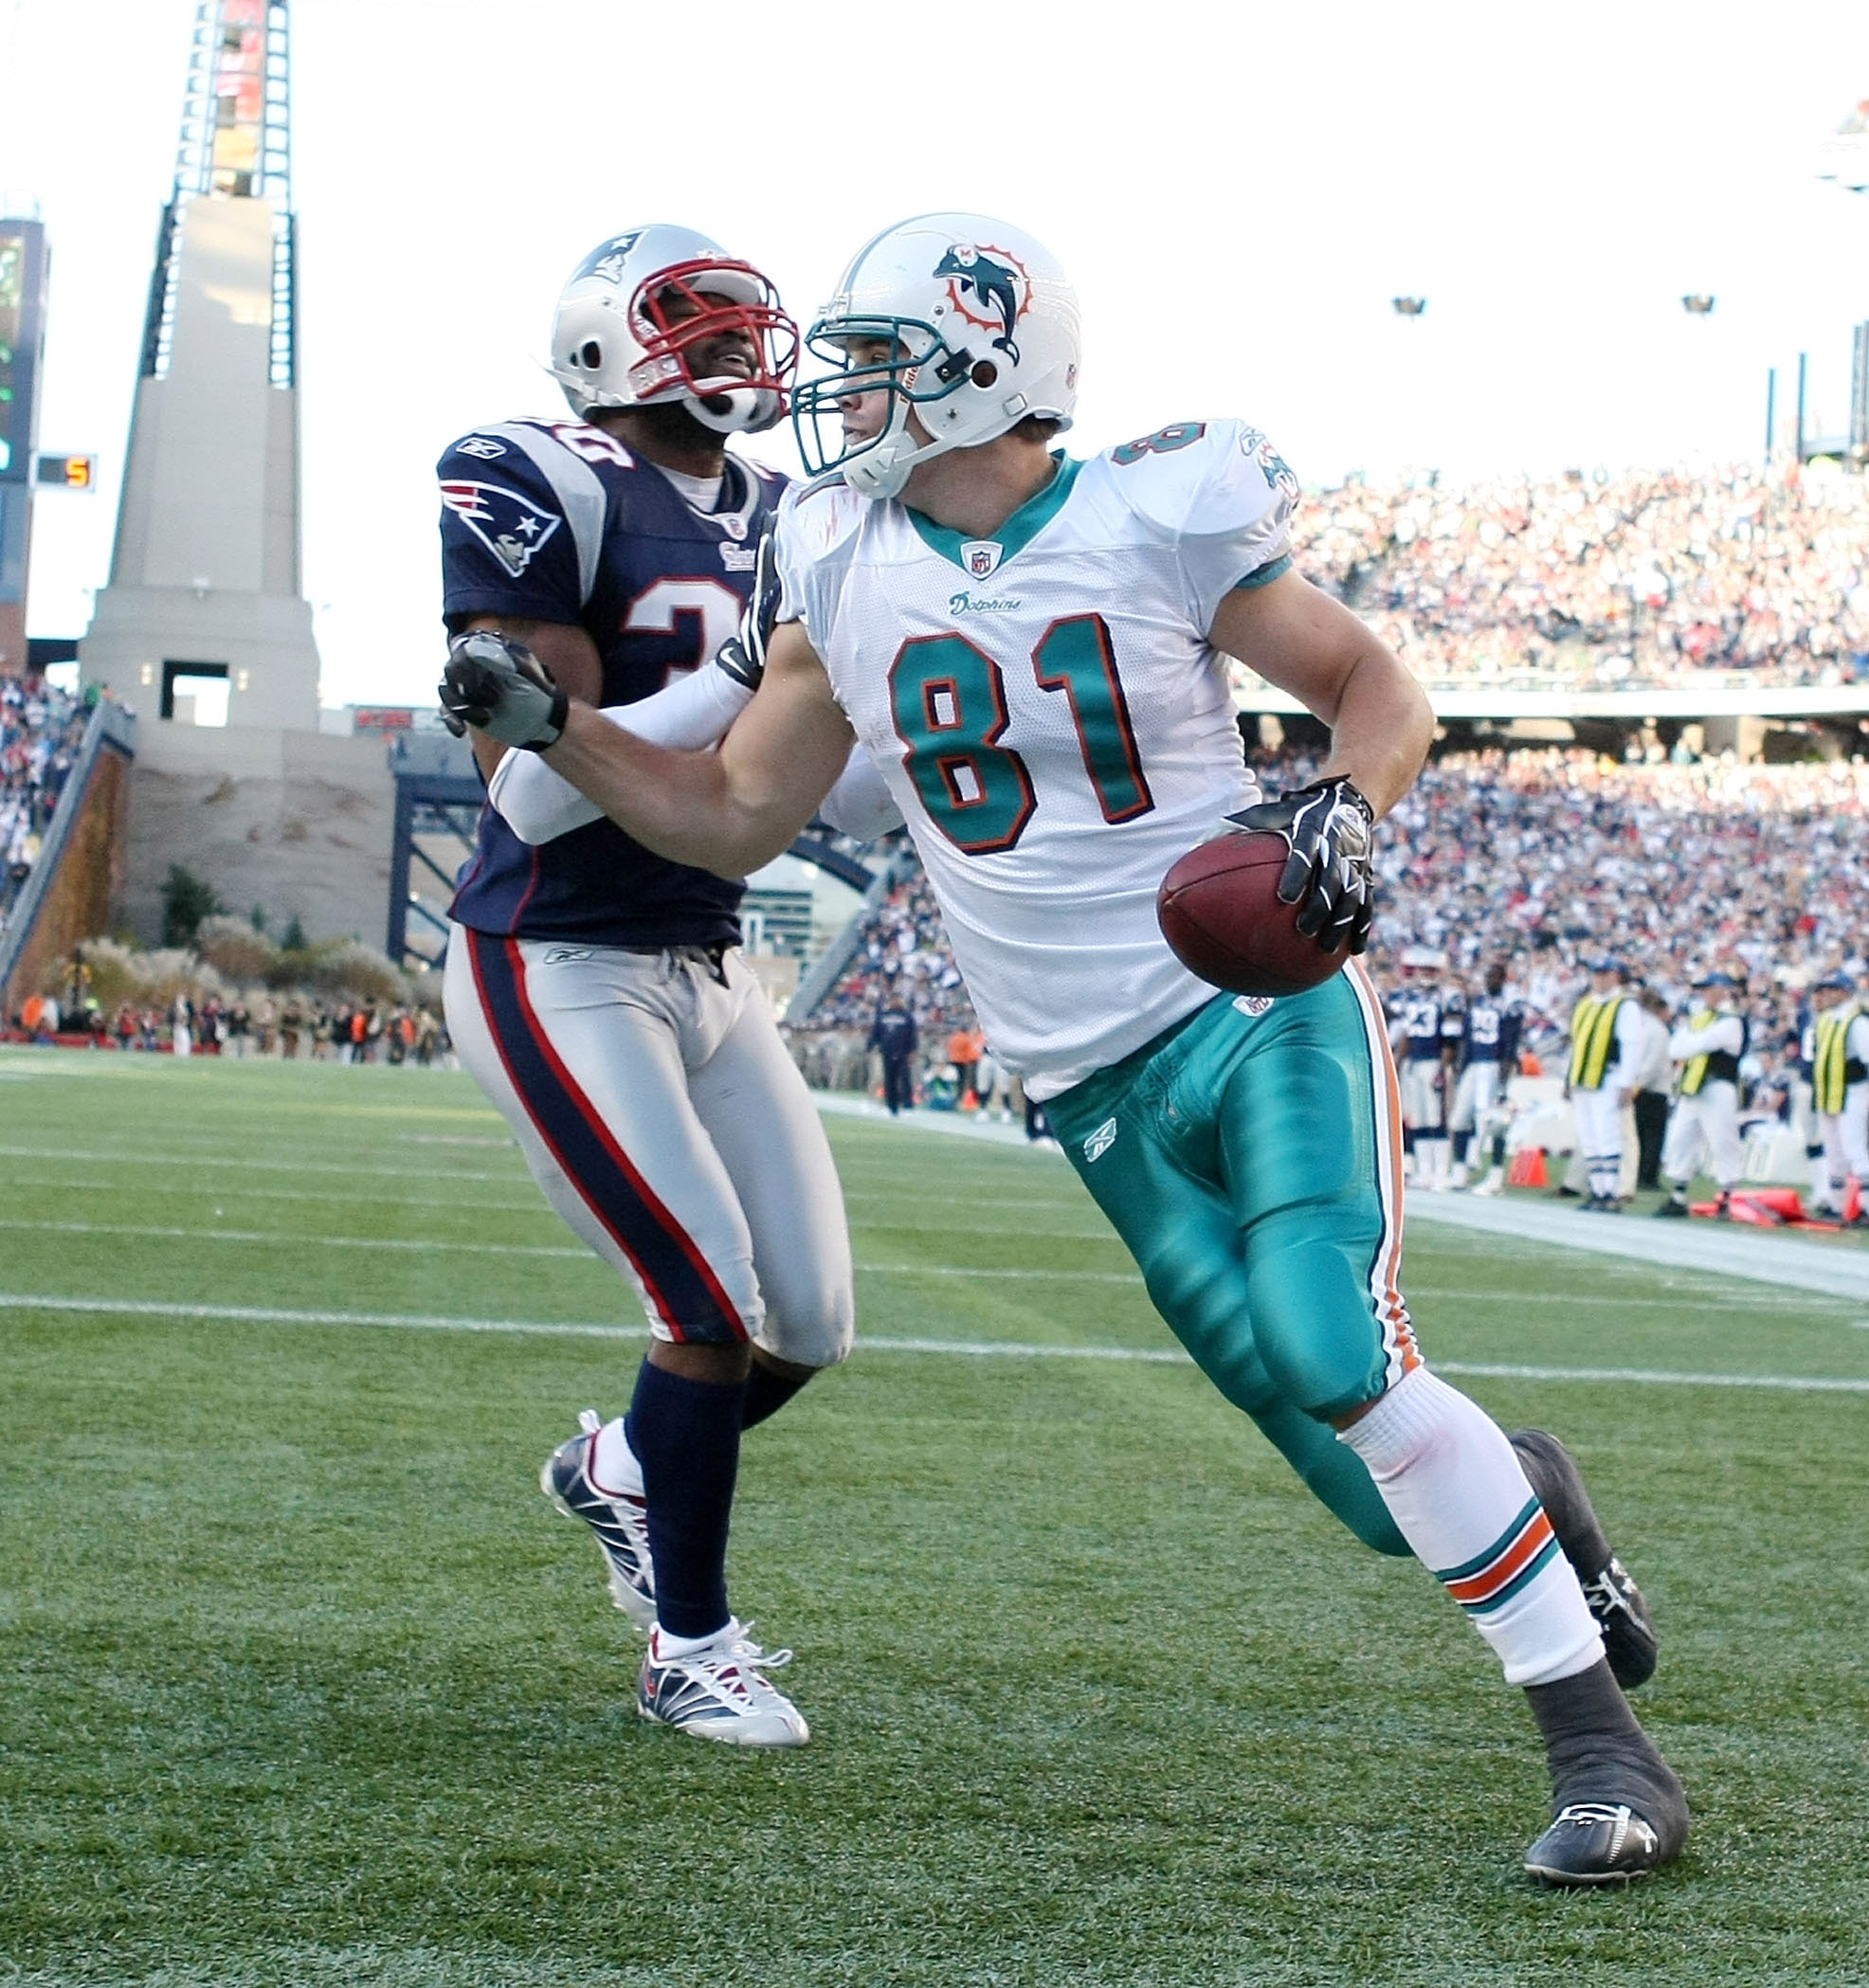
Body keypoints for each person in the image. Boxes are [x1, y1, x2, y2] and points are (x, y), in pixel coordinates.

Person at [443, 209, 1685, 1885]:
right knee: (1356, 1476)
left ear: (981, 366)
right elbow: (731, 814)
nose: (841, 398)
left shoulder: (1159, 510)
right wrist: (563, 731)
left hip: (1251, 1006)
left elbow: (1373, 686)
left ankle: (1609, 1757)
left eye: (879, 366)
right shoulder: (836, 551)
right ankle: (1540, 1497)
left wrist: (1348, 810)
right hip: (1082, 1080)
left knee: (1342, 1347)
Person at [431, 224, 857, 1747]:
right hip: (556, 950)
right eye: (701, 325)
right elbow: (528, 795)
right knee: (704, 1300)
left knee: (807, 1318)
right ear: (610, 339)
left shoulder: (801, 508)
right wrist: (753, 656)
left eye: (751, 328)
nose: (742, 355)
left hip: (714, 950)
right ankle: (692, 1643)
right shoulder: (537, 474)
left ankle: (619, 1468)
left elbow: (819, 780)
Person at [1556, 956, 1651, 1213]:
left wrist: (1626, 1082)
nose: (1598, 978)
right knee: (1589, 1135)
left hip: (1609, 1076)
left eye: (1604, 973)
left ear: (1617, 976)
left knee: (1607, 1134)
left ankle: (1610, 1190)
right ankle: (1598, 1189)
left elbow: (1632, 1045)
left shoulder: (1625, 1005)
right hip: (1584, 1077)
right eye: (1596, 973)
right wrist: (1570, 1078)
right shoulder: (1587, 1004)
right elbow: (1577, 1045)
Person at [1654, 972, 1745, 1218]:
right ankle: (1679, 1194)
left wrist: (1690, 1042)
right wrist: (1690, 1042)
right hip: (1693, 1087)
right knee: (1681, 1139)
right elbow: (1675, 1048)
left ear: (1723, 990)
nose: (1703, 993)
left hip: (1717, 1087)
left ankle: (1727, 1197)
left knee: (1722, 1140)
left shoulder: (1731, 1020)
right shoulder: (1700, 1018)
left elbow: (1699, 1044)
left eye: (1708, 988)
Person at [1803, 971, 1869, 1229]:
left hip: (1851, 1089)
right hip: (1829, 1091)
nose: (1826, 994)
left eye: (1832, 989)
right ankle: (1837, 1204)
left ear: (1846, 992)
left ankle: (1867, 1207)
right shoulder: (1826, 1020)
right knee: (1834, 1149)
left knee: (1854, 1146)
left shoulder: (1857, 1021)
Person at [1449, 961, 1520, 1187]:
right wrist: (1462, 1063)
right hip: (1474, 1063)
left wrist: (1505, 1070)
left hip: (1493, 1064)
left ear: (1503, 979)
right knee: (1460, 1118)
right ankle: (1460, 1170)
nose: (1491, 981)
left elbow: (1511, 1039)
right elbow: (1466, 1035)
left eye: (1496, 977)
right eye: (1488, 976)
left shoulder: (1510, 1004)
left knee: (1493, 1120)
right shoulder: (1476, 1001)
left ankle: (1496, 1175)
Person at [1393, 967, 1455, 1192]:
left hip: (1431, 1060)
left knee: (1435, 1119)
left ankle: (1441, 1172)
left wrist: (1443, 1066)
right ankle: (1425, 1171)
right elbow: (1406, 1034)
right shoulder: (1411, 999)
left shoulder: (1445, 998)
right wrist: (1399, 1062)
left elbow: (1450, 1039)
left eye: (1430, 970)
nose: (1425, 975)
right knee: (1417, 1119)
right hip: (1414, 1061)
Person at [1627, 982, 1673, 1194]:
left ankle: (1635, 1173)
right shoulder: (1658, 1030)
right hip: (1653, 1089)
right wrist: (1640, 1084)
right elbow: (1653, 1063)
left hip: (1635, 1085)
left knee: (1637, 1133)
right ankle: (1647, 1176)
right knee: (1653, 1135)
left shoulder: (1637, 1026)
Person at [870, 989, 918, 1114]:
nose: (895, 1002)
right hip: (887, 1052)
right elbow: (876, 1033)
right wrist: (871, 1046)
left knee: (904, 1079)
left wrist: (913, 1051)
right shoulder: (883, 1015)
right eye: (893, 999)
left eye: (897, 999)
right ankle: (891, 1106)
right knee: (889, 1079)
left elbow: (912, 1035)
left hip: (903, 1052)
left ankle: (908, 1106)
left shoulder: (907, 1016)